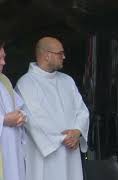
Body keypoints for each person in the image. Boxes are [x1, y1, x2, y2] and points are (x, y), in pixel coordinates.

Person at [15, 37, 89, 180]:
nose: (64, 57)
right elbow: (33, 121)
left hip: (70, 152)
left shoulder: (67, 81)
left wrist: (78, 131)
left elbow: (82, 110)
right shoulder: (26, 83)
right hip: (44, 155)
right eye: (60, 53)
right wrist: (64, 138)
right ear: (47, 55)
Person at [0, 41, 27, 180]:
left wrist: (21, 116)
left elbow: (19, 107)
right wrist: (3, 120)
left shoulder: (4, 81)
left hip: (12, 148)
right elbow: (5, 117)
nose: (3, 62)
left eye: (4, 57)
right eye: (0, 58)